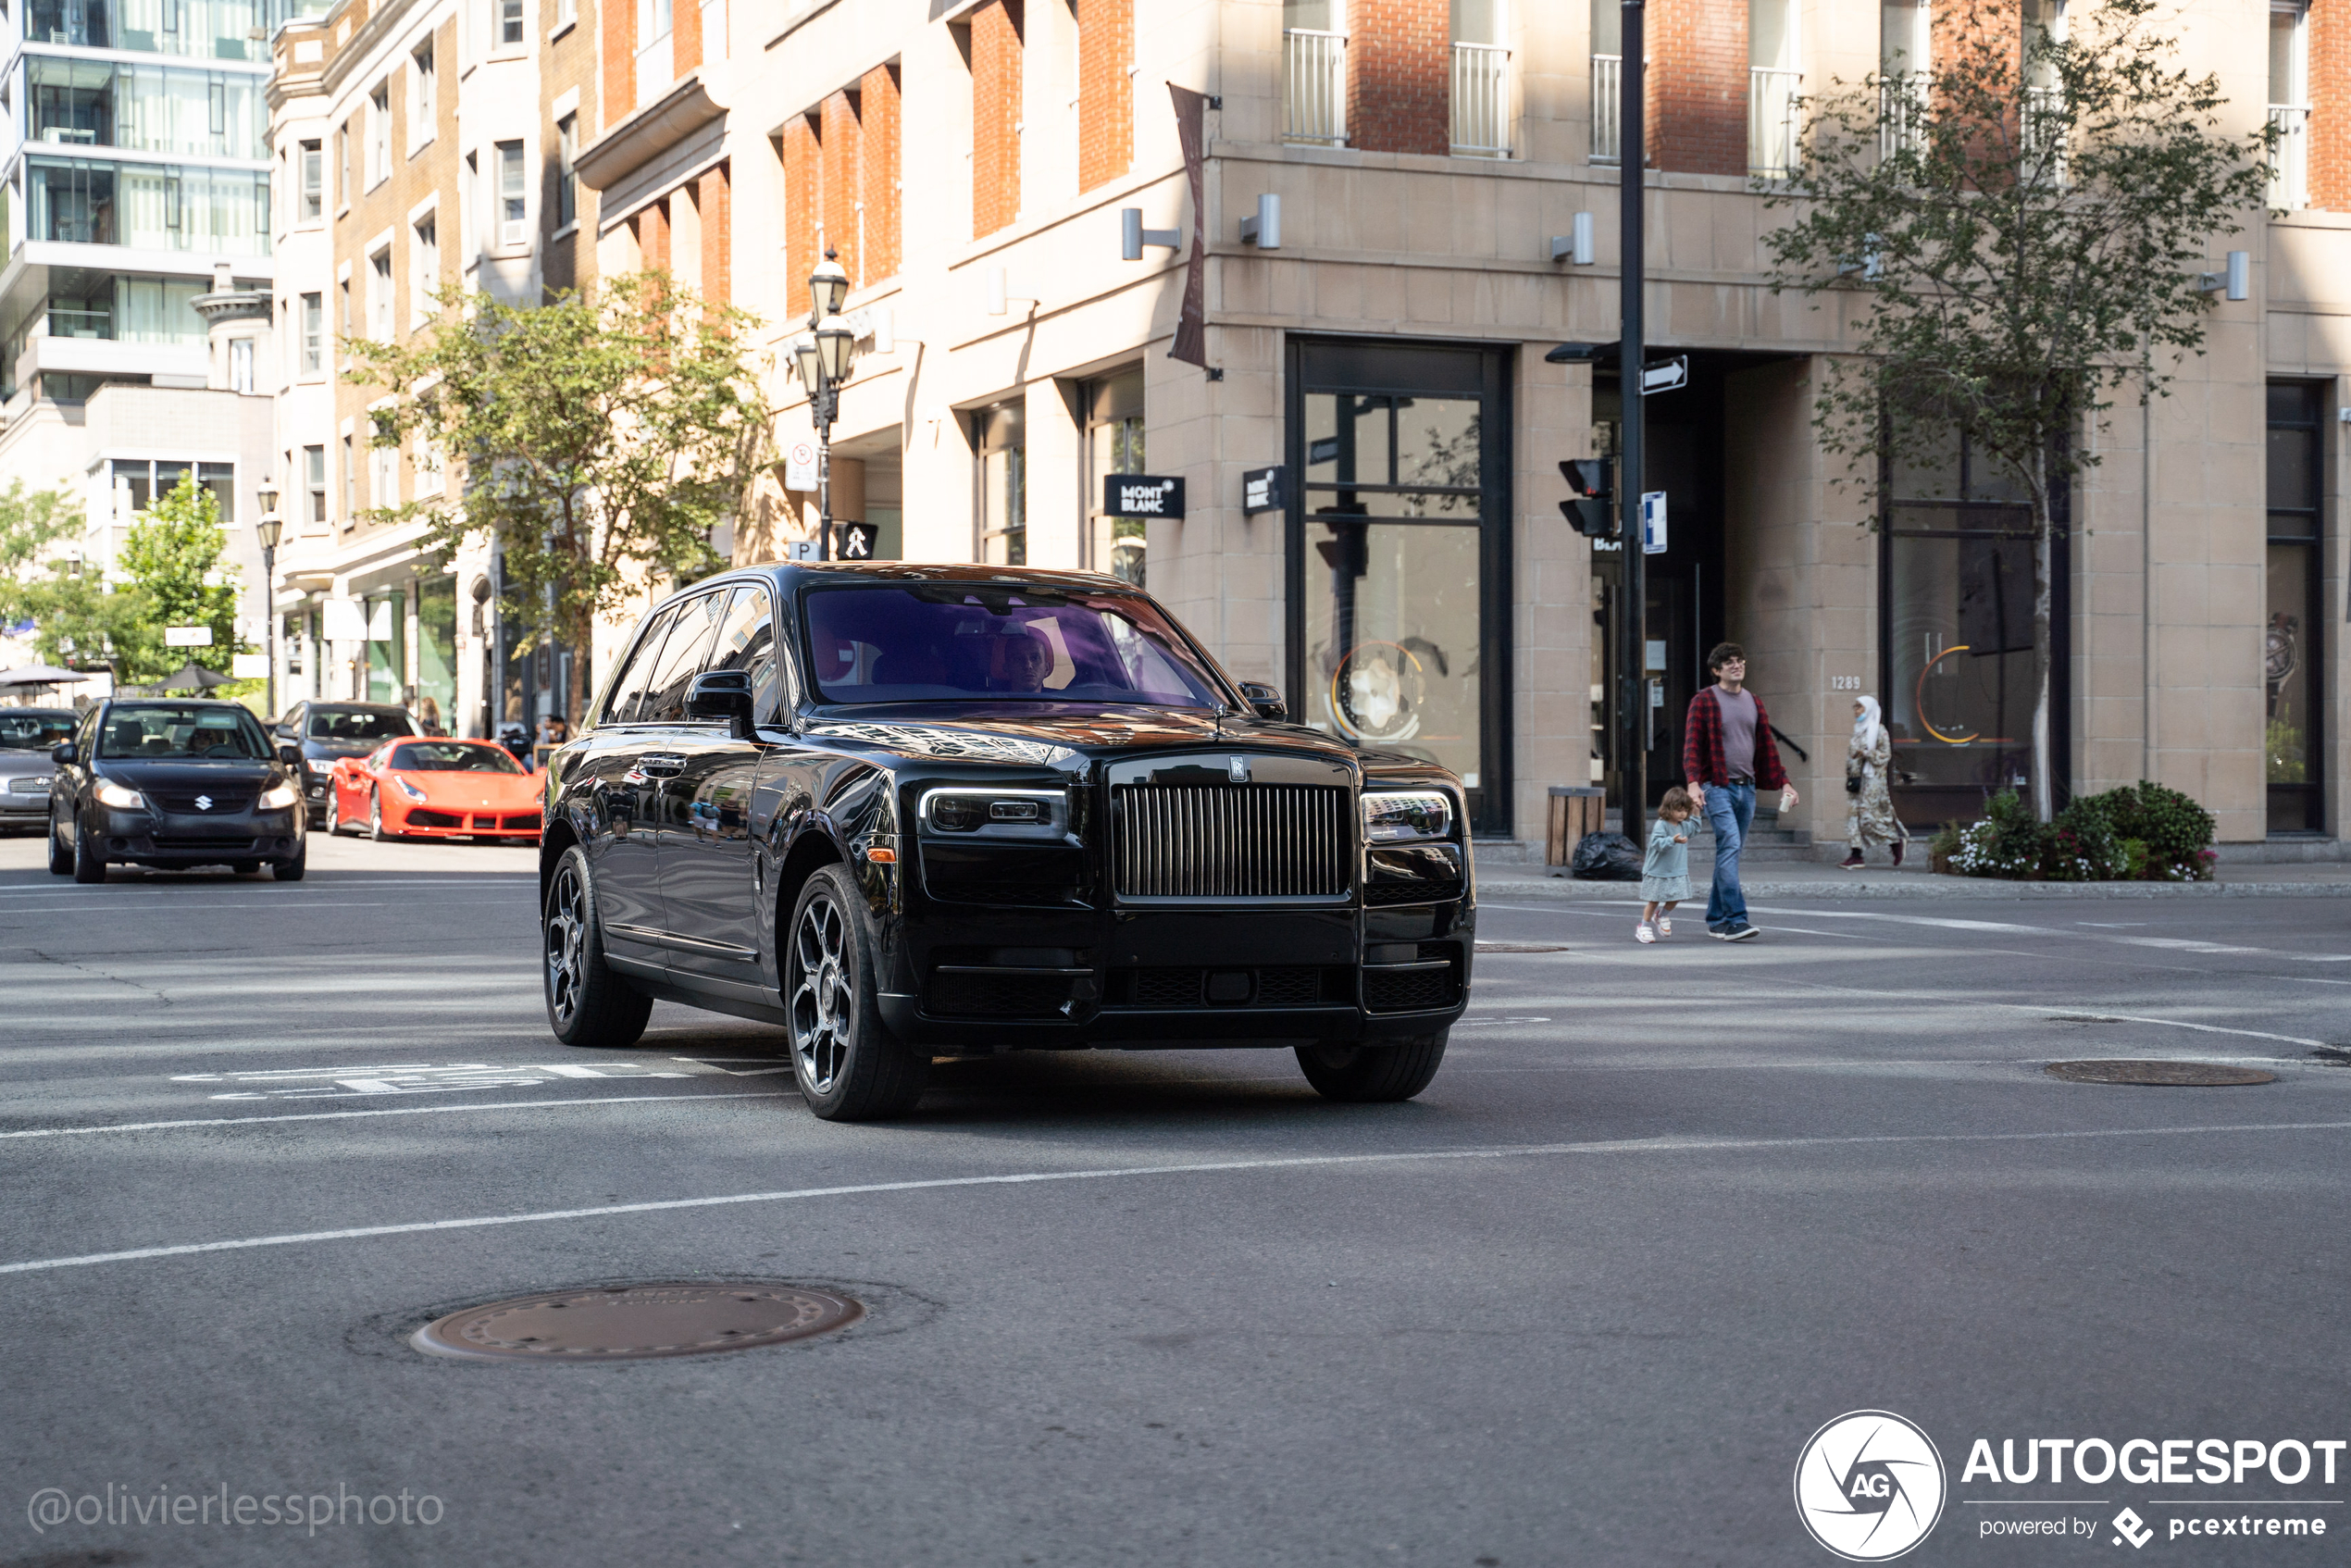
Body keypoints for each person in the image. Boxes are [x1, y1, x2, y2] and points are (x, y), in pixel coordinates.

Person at [1682, 641, 1797, 941]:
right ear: (1716, 670)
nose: (1737, 665)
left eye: (1740, 660)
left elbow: (1768, 748)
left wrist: (1785, 782)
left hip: (1747, 790)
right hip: (1717, 786)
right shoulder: (1704, 700)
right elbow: (1692, 746)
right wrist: (1693, 783)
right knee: (1730, 846)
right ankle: (1736, 919)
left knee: (1729, 852)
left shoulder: (1754, 702)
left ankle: (1715, 919)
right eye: (1729, 662)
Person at [1840, 694, 1908, 869]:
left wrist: (1867, 753)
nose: (1856, 710)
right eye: (1854, 706)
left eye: (1859, 706)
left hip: (1872, 782)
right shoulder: (1858, 730)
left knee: (1868, 819)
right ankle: (1856, 855)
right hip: (1856, 781)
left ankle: (1895, 842)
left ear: (1868, 708)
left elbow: (1886, 755)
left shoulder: (1879, 730)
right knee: (1853, 818)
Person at [1636, 787, 1695, 944]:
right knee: (1654, 899)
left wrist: (1696, 812)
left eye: (1685, 810)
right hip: (1658, 870)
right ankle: (1644, 926)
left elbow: (1695, 829)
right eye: (1679, 810)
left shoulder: (1684, 825)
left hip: (1677, 870)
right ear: (1669, 809)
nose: (1683, 814)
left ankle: (1661, 916)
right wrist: (1672, 840)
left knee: (1677, 896)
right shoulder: (1661, 825)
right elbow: (1656, 843)